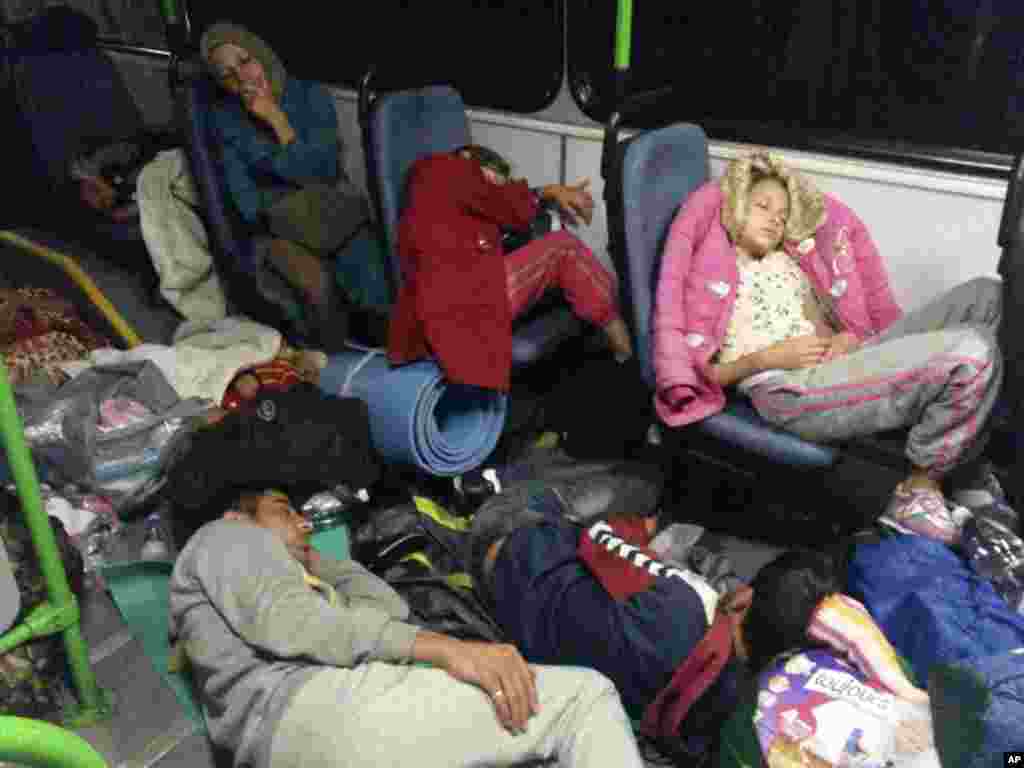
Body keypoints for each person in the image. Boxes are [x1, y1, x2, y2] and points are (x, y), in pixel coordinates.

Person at [653, 150, 1015, 539]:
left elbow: (818, 322)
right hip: (781, 386)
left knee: (988, 297)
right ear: (736, 208)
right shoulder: (715, 272)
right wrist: (766, 358)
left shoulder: (788, 263)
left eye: (782, 214)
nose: (775, 219)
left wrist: (842, 340)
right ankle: (920, 485)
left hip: (824, 365)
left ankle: (963, 465)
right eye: (763, 206)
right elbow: (704, 372)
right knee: (972, 353)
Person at [169, 488, 646, 768]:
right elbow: (291, 623)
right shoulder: (225, 537)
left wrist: (319, 562)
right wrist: (449, 650)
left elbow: (388, 610)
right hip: (319, 709)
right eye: (283, 510)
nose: (303, 522)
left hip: (301, 740)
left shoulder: (299, 577)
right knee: (585, 698)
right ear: (238, 515)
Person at [466, 487, 930, 761]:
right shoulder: (737, 709)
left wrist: (637, 530)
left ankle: (482, 497)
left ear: (744, 596)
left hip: (507, 560)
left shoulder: (683, 604)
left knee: (589, 498)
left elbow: (601, 537)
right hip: (539, 636)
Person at [388, 144, 634, 391]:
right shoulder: (442, 167)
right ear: (468, 157)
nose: (497, 187)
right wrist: (551, 191)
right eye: (494, 180)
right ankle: (625, 352)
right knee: (563, 249)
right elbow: (502, 203)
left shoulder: (450, 195)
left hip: (457, 294)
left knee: (559, 257)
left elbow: (496, 208)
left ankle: (620, 348)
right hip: (459, 299)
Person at [200, 23, 371, 351]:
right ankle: (326, 365)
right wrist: (284, 210)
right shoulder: (224, 119)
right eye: (228, 75)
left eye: (246, 61)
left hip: (330, 207)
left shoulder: (311, 97)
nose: (243, 78)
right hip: (277, 225)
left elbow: (323, 171)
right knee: (316, 286)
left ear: (261, 55)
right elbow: (245, 201)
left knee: (371, 279)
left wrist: (277, 119)